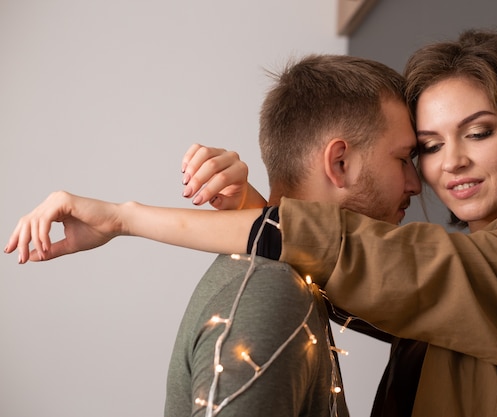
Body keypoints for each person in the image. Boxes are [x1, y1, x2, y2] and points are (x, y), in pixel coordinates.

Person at [5, 29, 497, 417]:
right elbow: (350, 277)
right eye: (423, 148)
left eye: (478, 132)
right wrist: (252, 203)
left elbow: (363, 257)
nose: (447, 165)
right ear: (340, 160)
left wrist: (124, 216)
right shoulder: (280, 292)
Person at [5, 54, 420, 417]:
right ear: (341, 162)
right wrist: (121, 219)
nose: (415, 183)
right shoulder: (271, 294)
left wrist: (251, 206)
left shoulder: (297, 279)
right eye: (403, 159)